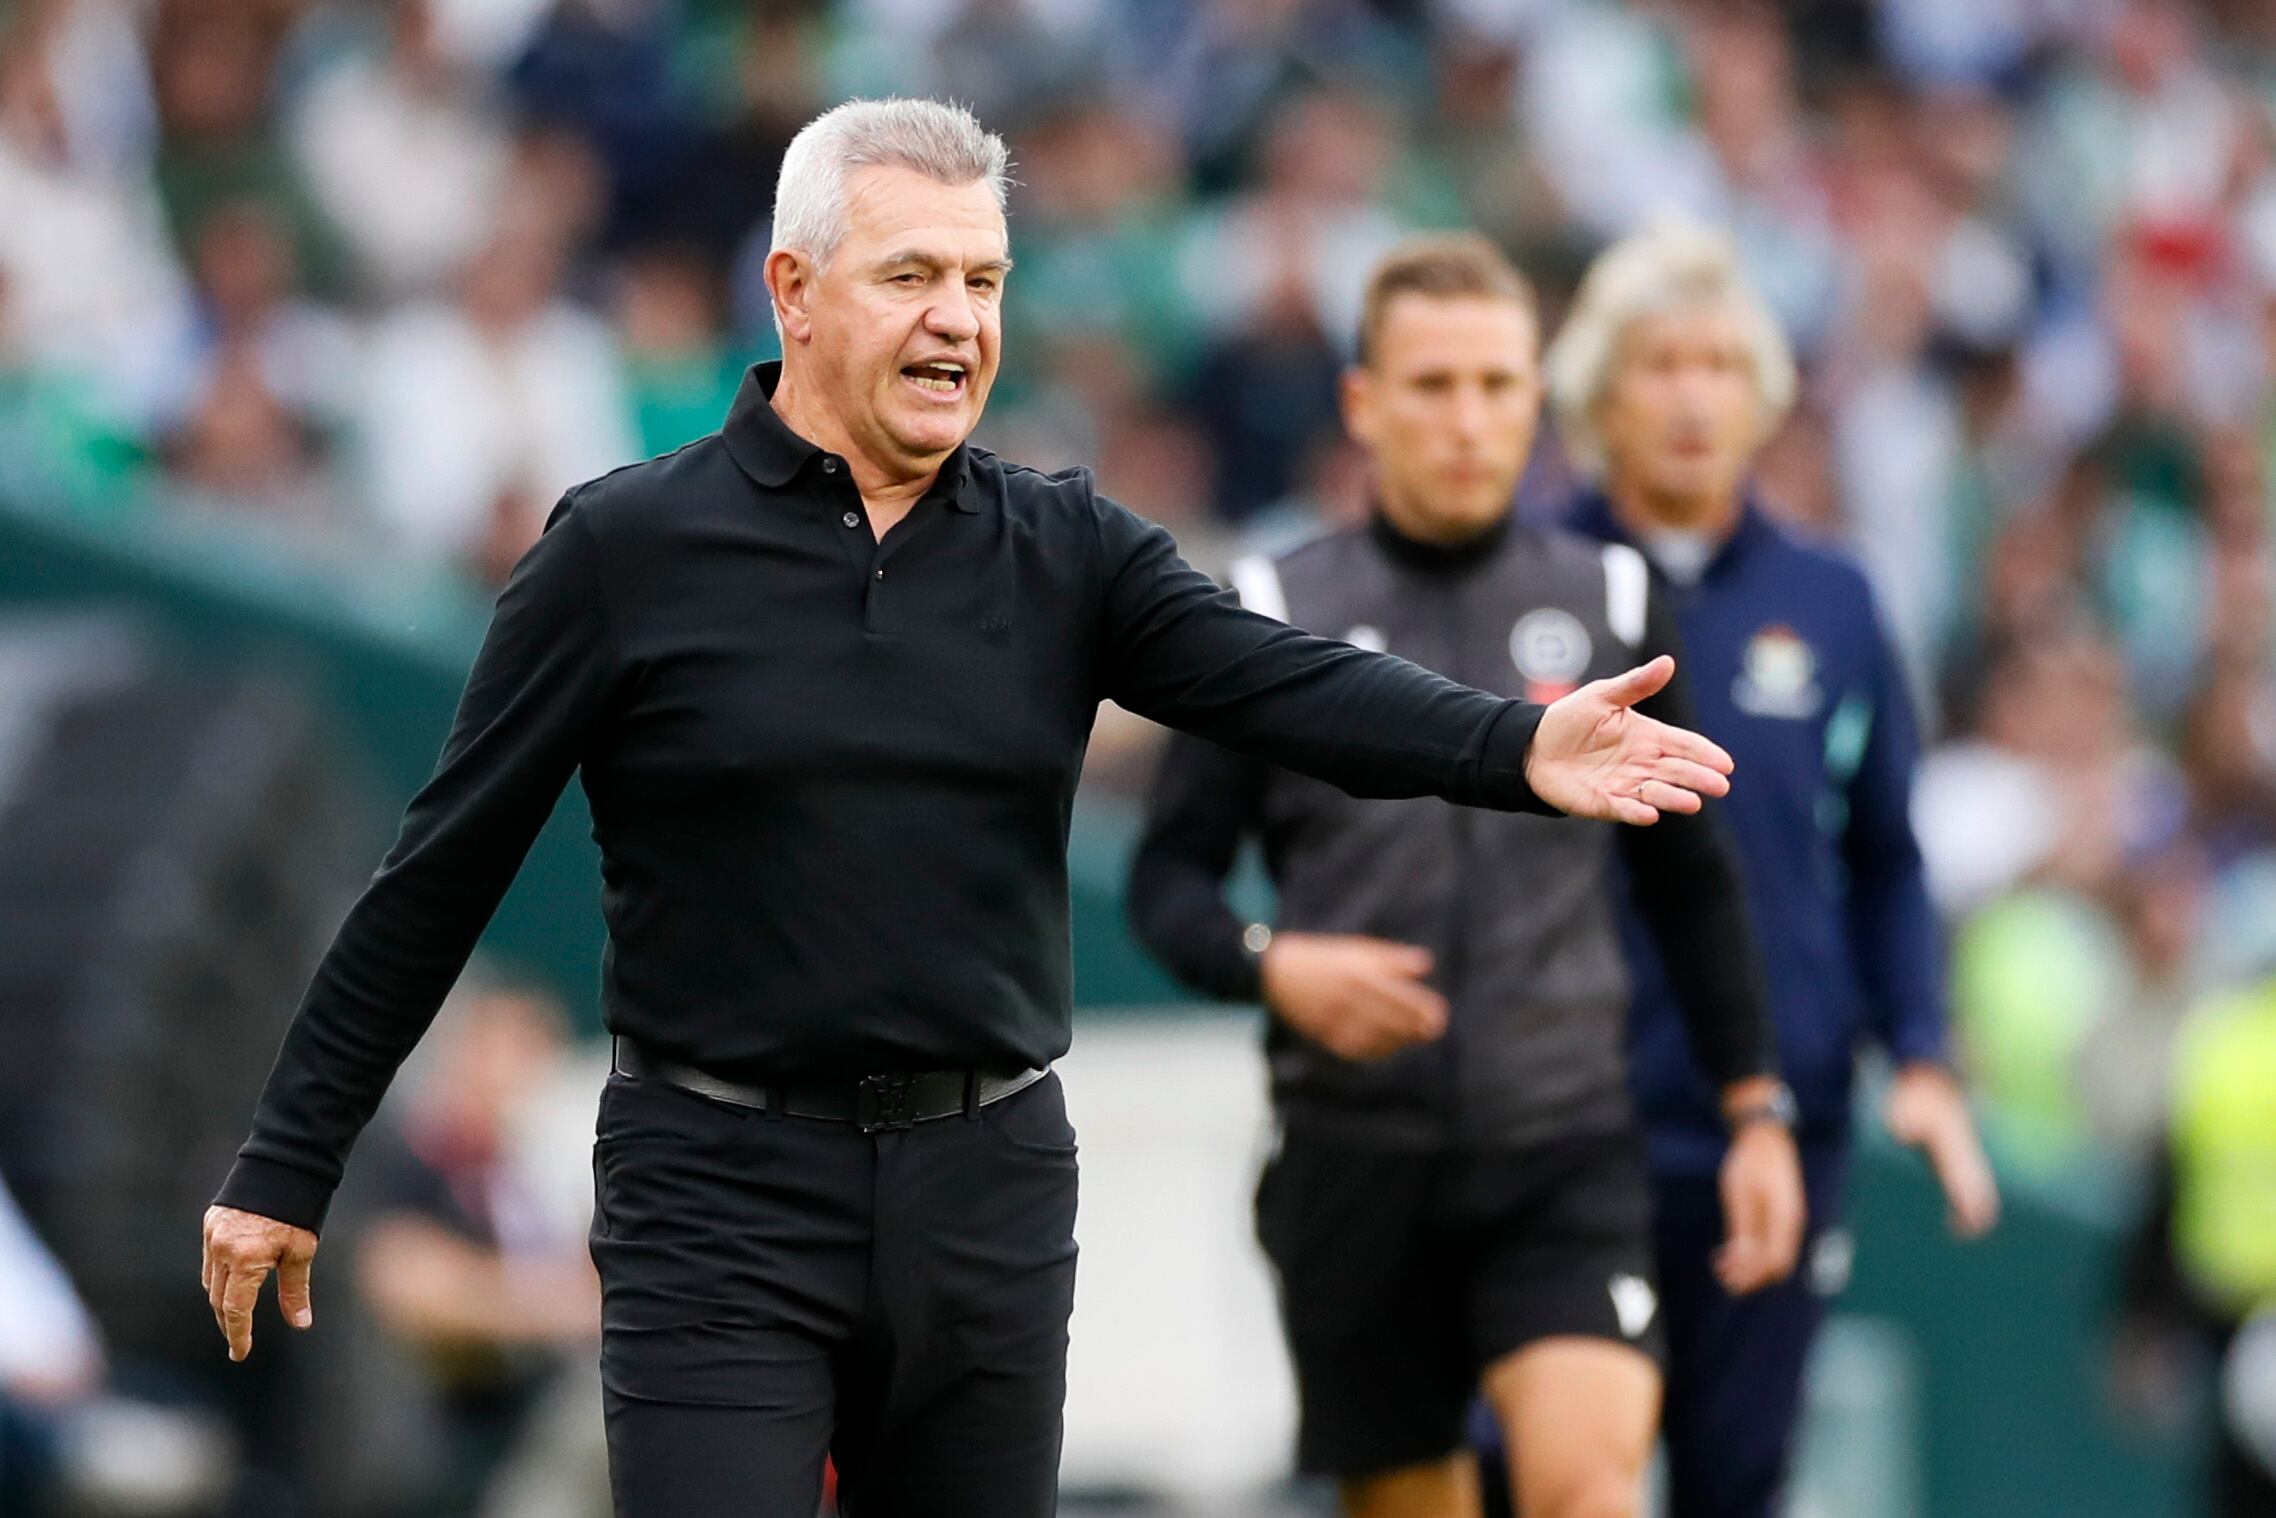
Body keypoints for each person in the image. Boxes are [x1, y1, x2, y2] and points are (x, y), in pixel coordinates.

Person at [196, 99, 1740, 1518]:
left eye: (985, 281)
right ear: (796, 292)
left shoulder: (1065, 548)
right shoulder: (623, 551)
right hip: (715, 1191)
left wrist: (1512, 746)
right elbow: (440, 870)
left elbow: (1291, 684)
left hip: (985, 1187)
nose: (958, 317)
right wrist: (287, 1157)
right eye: (912, 275)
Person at [1126, 233, 1806, 1518]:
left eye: (1495, 386)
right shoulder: (1263, 608)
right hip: (1352, 1156)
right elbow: (1168, 883)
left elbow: (1691, 883)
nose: (1466, 420)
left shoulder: (1608, 600)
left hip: (1563, 1147)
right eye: (1432, 385)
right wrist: (1275, 965)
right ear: (1362, 402)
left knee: (1587, 1493)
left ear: (1535, 401)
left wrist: (1753, 1109)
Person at [1549, 220, 2002, 1518]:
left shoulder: (1835, 598)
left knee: (1739, 1479)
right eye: (1659, 365)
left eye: (1718, 366)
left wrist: (1919, 1053)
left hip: (1776, 1125)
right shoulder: (1529, 582)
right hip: (1564, 1117)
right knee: (1559, 1474)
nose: (1691, 398)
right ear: (1598, 398)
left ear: (1761, 398)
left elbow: (1885, 854)